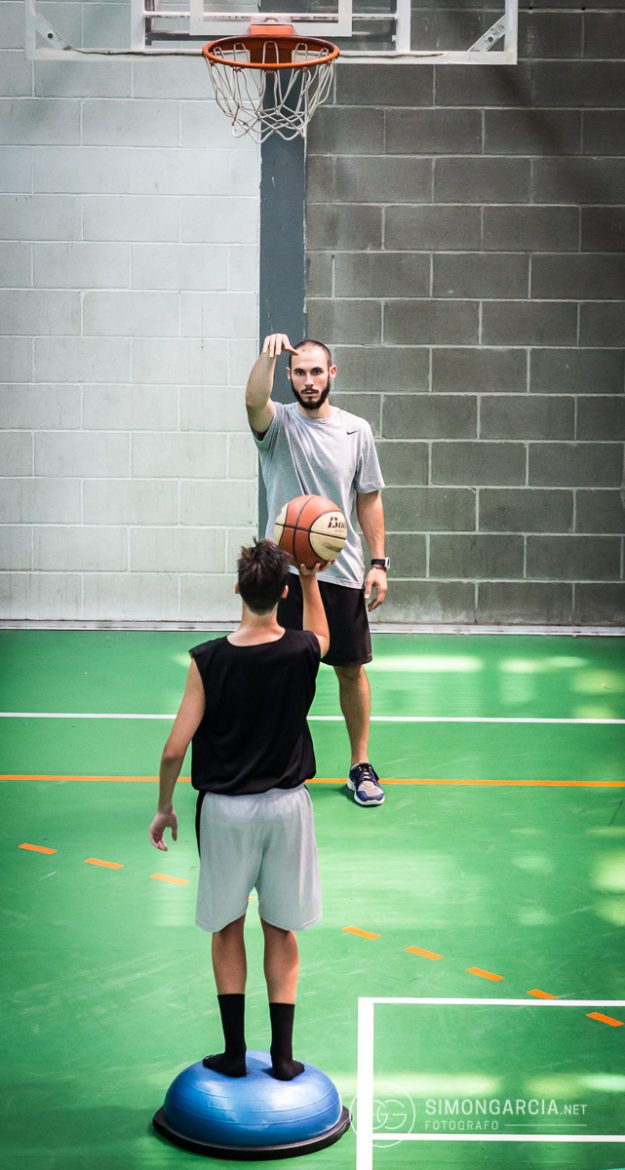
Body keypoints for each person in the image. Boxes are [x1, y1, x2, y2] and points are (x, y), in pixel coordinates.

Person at [148, 540, 329, 1081]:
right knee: (281, 929)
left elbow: (174, 749)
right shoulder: (301, 651)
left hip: (226, 812)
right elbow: (324, 637)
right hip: (288, 808)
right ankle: (282, 1056)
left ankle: (232, 1052)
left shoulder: (207, 660)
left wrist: (164, 808)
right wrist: (312, 579)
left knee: (228, 927)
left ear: (236, 589)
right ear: (281, 592)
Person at [245, 332, 389, 808]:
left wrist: (378, 562)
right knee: (285, 674)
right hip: (284, 576)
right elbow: (252, 400)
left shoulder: (356, 430)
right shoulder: (279, 425)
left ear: (332, 374)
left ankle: (360, 766)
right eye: (299, 372)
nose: (308, 380)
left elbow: (368, 496)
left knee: (350, 670)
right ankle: (285, 764)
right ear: (289, 377)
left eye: (315, 371)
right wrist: (268, 355)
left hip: (341, 573)